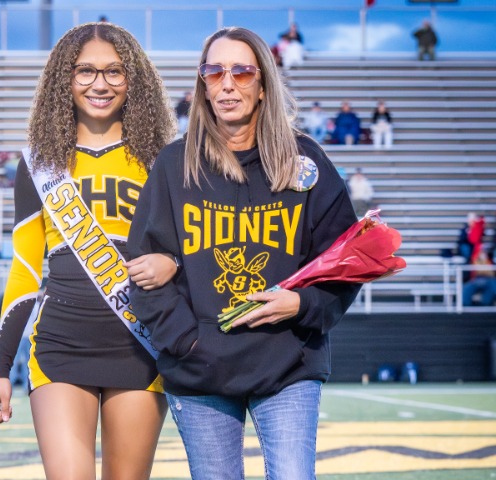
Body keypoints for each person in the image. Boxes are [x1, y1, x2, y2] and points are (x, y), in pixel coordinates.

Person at [127, 26, 361, 480]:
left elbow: (345, 261)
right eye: (215, 72)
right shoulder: (174, 164)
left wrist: (303, 304)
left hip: (287, 364)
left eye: (241, 72)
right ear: (203, 85)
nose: (228, 84)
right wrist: (188, 342)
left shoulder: (305, 162)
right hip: (199, 369)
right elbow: (144, 270)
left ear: (264, 84)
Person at [0, 22, 178, 480]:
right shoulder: (38, 163)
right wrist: (0, 368)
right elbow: (25, 269)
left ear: (133, 79)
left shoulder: (163, 159)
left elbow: (187, 251)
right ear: (64, 79)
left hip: (139, 345)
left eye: (114, 71)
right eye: (85, 71)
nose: (100, 84)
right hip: (60, 345)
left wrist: (172, 263)